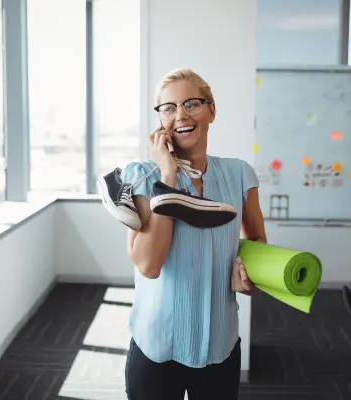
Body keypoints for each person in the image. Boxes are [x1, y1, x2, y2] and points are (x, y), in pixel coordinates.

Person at [120, 68, 267, 400]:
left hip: (219, 344)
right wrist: (167, 176)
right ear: (160, 120)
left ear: (211, 110)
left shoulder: (239, 174)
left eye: (192, 104)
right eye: (168, 108)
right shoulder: (142, 176)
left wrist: (249, 274)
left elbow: (257, 240)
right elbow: (148, 265)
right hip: (156, 345)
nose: (180, 115)